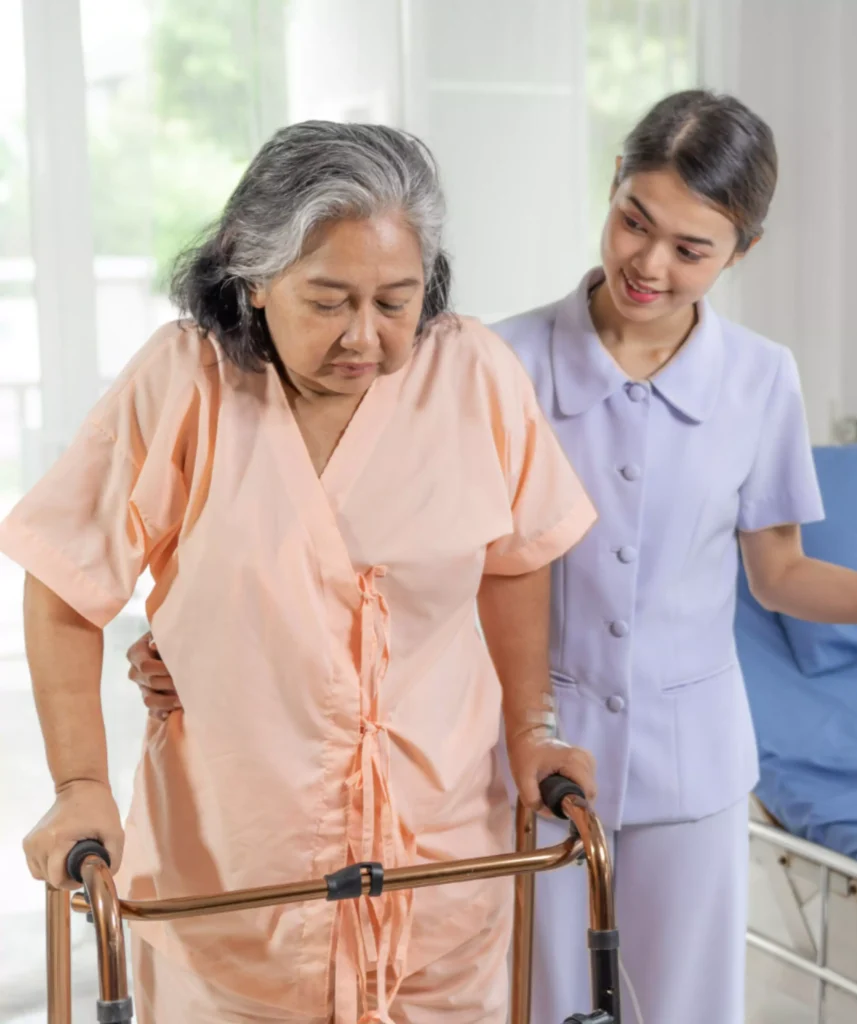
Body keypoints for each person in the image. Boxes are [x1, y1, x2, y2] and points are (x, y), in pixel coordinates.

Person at [125, 98, 857, 1024]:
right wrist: (196, 641)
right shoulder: (492, 357)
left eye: (692, 248)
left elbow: (779, 575)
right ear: (614, 181)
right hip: (510, 758)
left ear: (741, 252)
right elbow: (354, 543)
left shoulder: (761, 379)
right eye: (635, 221)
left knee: (685, 1008)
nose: (650, 265)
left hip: (691, 760)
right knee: (532, 1003)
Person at [2, 122, 598, 1024]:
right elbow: (64, 584)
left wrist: (533, 729)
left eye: (396, 300)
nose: (367, 336)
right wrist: (81, 783)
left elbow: (515, 561)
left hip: (443, 871)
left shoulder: (469, 374)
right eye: (329, 301)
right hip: (236, 883)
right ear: (252, 277)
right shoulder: (185, 385)